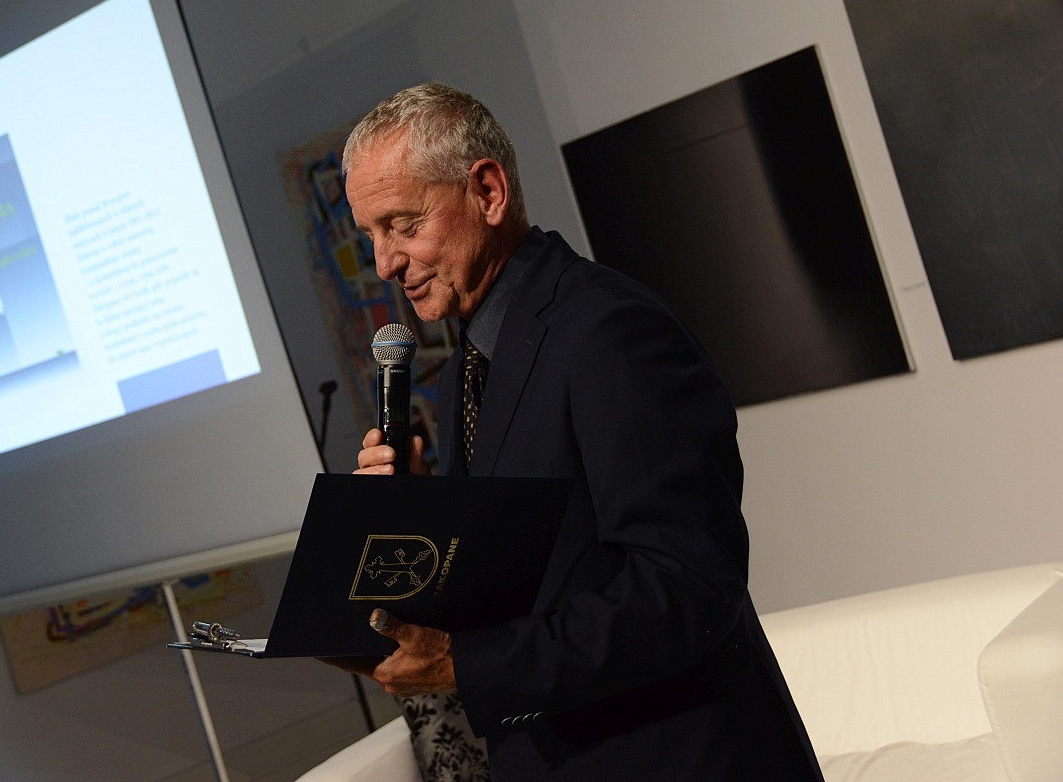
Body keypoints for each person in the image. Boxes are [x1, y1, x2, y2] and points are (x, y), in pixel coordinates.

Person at [331, 82, 824, 780]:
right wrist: (424, 521)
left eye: (404, 225)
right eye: (371, 236)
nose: (385, 263)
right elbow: (526, 577)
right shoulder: (462, 369)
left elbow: (687, 586)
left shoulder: (610, 331)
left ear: (488, 192)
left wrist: (468, 665)